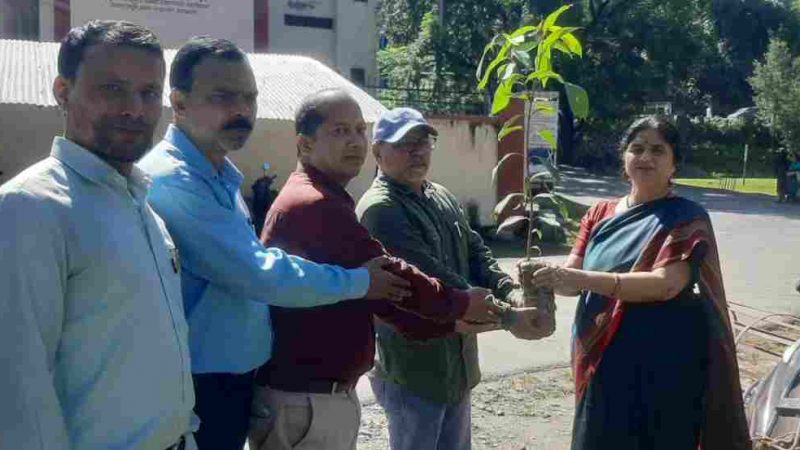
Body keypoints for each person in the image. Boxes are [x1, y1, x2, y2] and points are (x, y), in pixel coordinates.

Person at [137, 37, 410, 450]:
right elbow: (258, 274)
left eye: (249, 97)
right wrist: (359, 282)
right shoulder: (175, 180)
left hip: (233, 380)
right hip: (200, 384)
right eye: (223, 97)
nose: (242, 110)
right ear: (179, 103)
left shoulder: (219, 176)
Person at [248, 89, 507, 450]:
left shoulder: (330, 197)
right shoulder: (316, 204)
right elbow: (397, 276)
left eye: (358, 130)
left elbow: (380, 292)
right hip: (305, 399)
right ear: (305, 146)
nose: (354, 141)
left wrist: (449, 321)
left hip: (322, 396)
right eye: (340, 132)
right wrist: (461, 303)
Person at [0, 21, 195, 449]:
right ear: (62, 91)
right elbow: (18, 391)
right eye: (112, 89)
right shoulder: (29, 208)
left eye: (148, 93)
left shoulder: (140, 204)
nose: (135, 109)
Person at [531, 115, 751, 450]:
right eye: (637, 148)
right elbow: (572, 280)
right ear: (624, 158)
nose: (645, 157)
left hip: (663, 360)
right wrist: (544, 276)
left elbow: (666, 284)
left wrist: (579, 278)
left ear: (674, 163)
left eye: (658, 150)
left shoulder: (687, 217)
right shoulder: (599, 214)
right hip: (603, 357)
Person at [356, 107, 543, 450]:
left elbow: (476, 251)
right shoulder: (380, 209)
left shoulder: (440, 195)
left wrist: (512, 292)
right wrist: (506, 314)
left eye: (423, 143)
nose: (417, 152)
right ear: (378, 153)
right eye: (405, 144)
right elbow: (434, 280)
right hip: (414, 369)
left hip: (455, 364)